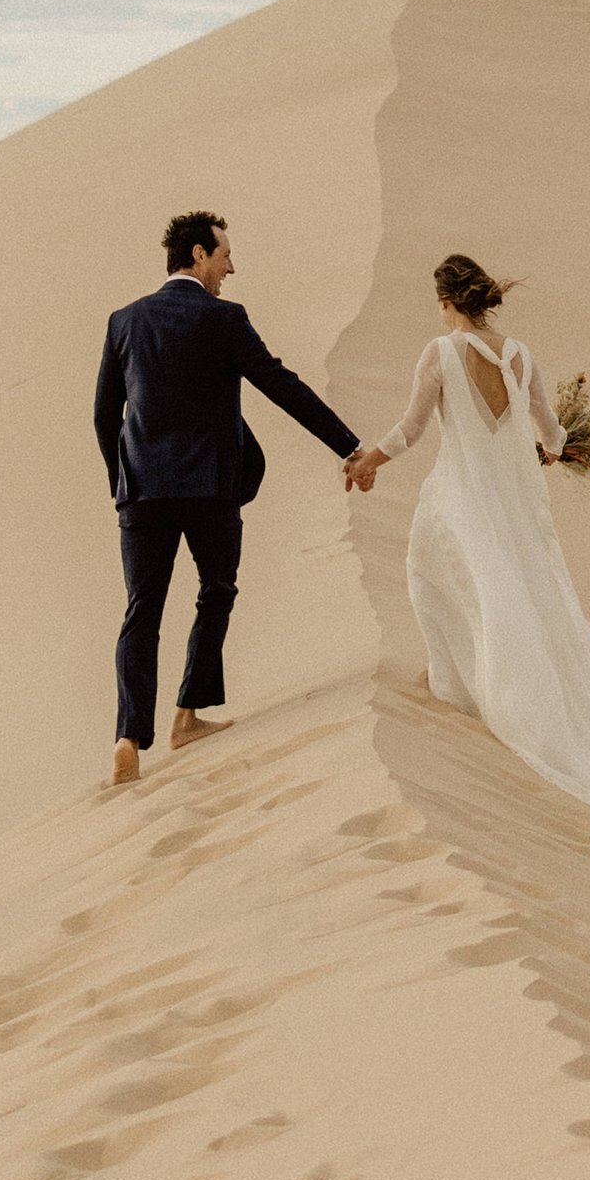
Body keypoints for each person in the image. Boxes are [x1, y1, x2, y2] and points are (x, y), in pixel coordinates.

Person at [350, 253, 590, 849]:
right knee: (509, 593)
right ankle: (479, 687)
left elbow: (412, 427)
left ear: (445, 302)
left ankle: (466, 690)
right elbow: (551, 430)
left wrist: (369, 462)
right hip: (513, 507)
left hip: (460, 496)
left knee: (438, 577)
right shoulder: (520, 355)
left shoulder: (439, 353)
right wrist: (555, 448)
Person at [95, 211, 382, 785]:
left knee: (141, 609)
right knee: (216, 589)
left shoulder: (125, 320)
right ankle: (186, 715)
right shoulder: (223, 318)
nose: (231, 267)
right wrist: (347, 446)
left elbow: (105, 414)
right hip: (209, 487)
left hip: (143, 493)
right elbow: (280, 385)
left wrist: (123, 482)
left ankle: (129, 735)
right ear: (199, 255)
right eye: (225, 256)